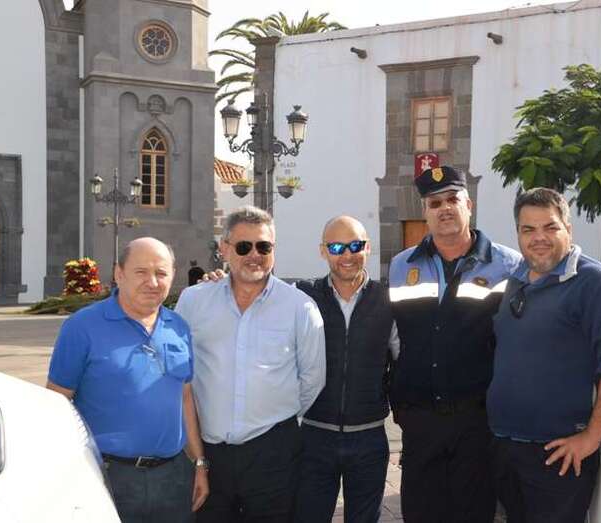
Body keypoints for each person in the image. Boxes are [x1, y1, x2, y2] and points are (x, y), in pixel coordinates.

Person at [488, 188, 601, 523]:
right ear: (518, 234)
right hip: (507, 448)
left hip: (558, 455)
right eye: (528, 229)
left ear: (568, 229)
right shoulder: (516, 280)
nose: (539, 238)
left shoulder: (596, 283)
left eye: (550, 227)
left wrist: (591, 437)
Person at [387, 165, 522, 522]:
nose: (444, 208)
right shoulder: (401, 266)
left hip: (477, 420)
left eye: (452, 199)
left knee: (473, 513)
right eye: (435, 203)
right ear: (425, 212)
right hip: (419, 421)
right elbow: (394, 337)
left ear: (469, 205)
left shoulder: (508, 266)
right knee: (420, 513)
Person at [175, 206, 326, 523]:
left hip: (274, 452)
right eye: (244, 247)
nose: (254, 255)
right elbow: (181, 375)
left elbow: (313, 377)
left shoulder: (300, 307)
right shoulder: (193, 301)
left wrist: (276, 415)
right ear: (225, 249)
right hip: (210, 453)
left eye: (263, 247)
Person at [47, 237, 209, 523]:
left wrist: (199, 463)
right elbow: (56, 403)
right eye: (141, 272)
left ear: (173, 276)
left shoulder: (179, 327)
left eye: (161, 273)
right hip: (108, 477)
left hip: (173, 478)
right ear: (119, 273)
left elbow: (184, 398)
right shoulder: (82, 327)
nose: (152, 282)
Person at [294, 215, 397, 523]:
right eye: (337, 247)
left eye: (355, 246)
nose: (347, 255)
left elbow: (406, 359)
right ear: (323, 251)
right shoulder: (303, 296)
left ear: (368, 248)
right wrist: (220, 282)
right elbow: (260, 296)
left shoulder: (388, 300)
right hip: (315, 436)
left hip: (369, 437)